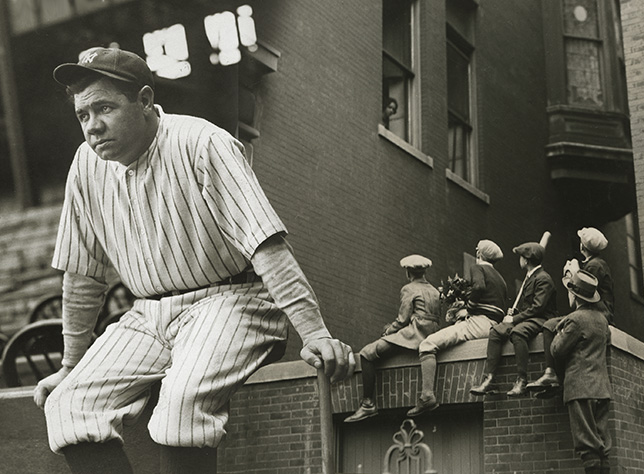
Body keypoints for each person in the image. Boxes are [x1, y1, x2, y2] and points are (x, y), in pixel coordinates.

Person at [33, 47, 355, 474]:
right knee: (70, 404)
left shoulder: (203, 142)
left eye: (105, 108)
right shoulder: (86, 165)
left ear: (145, 101)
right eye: (83, 115)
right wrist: (70, 366)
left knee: (182, 403)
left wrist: (314, 333)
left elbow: (266, 245)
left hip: (231, 300)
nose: (93, 126)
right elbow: (82, 274)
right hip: (148, 314)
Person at [406, 240, 508, 416]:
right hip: (493, 326)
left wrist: (468, 307)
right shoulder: (501, 279)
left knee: (427, 345)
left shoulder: (478, 268)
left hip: (478, 323)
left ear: (479, 254)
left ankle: (427, 396)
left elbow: (479, 287)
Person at [344, 255, 441, 422]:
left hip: (414, 334)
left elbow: (403, 319)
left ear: (408, 272)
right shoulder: (435, 291)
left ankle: (367, 404)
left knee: (367, 353)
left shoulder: (408, 289)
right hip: (431, 335)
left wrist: (388, 331)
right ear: (424, 271)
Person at [527, 227, 614, 397]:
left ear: (583, 247)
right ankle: (553, 377)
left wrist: (569, 274)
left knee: (550, 325)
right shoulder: (596, 264)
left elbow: (574, 301)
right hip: (597, 312)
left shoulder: (593, 267)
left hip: (595, 313)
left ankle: (552, 375)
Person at [470, 241, 558, 397]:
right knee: (496, 331)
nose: (519, 260)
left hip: (541, 319)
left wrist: (514, 318)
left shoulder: (543, 278)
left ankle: (522, 380)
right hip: (528, 317)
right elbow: (527, 306)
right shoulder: (530, 277)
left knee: (518, 332)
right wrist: (514, 311)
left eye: (521, 257)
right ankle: (490, 379)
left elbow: (538, 308)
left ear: (526, 260)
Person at [551, 269, 612, 474]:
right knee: (602, 446)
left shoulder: (575, 320)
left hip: (580, 388)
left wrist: (559, 329)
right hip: (602, 389)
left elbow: (557, 350)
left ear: (575, 295)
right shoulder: (602, 320)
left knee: (588, 448)